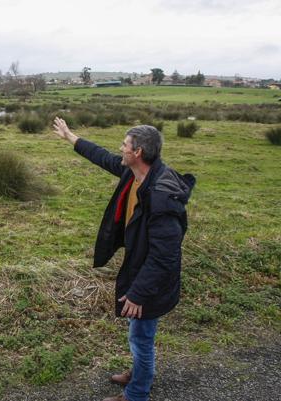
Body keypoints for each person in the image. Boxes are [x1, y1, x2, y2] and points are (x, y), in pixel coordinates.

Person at [52, 118, 195, 401]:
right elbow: (104, 157)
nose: (120, 148)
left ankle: (137, 393)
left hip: (151, 280)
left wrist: (139, 293)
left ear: (138, 152)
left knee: (141, 337)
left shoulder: (162, 197)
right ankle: (141, 373)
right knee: (138, 334)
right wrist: (71, 137)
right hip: (140, 266)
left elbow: (165, 257)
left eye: (125, 144)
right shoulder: (136, 174)